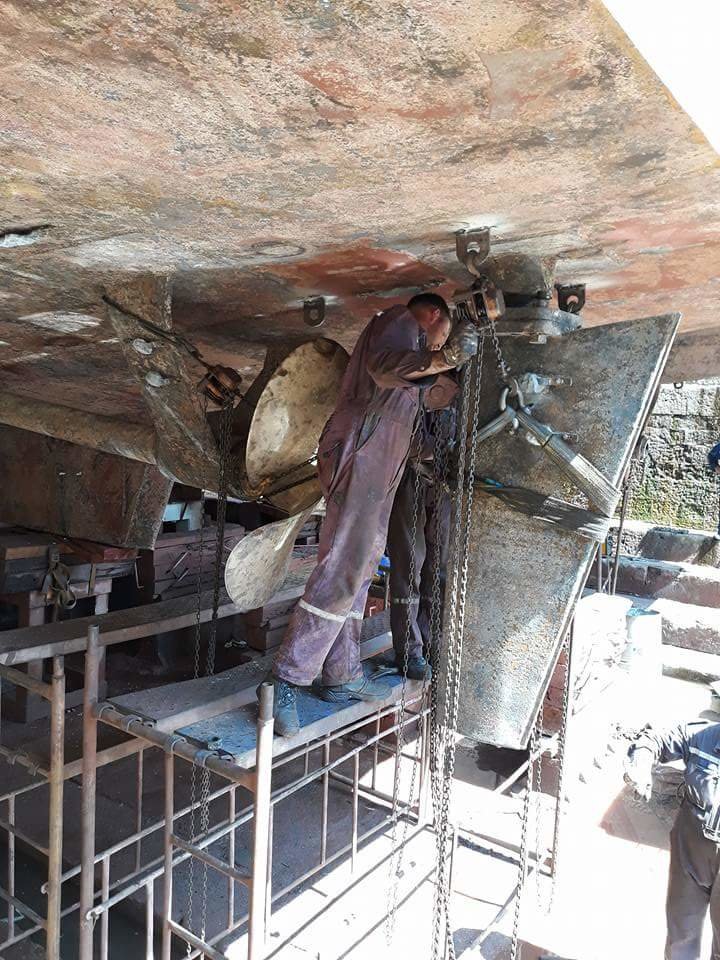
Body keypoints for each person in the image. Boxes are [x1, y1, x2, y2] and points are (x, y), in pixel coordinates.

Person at [266, 294, 478, 736]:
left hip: (378, 467)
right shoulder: (400, 322)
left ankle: (340, 673)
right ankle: (286, 678)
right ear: (434, 316)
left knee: (361, 568)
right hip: (360, 457)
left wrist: (437, 451)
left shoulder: (413, 364)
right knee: (345, 564)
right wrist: (446, 357)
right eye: (443, 336)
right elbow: (384, 369)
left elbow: (405, 419)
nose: (440, 345)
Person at [625, 720, 720, 959]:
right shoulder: (703, 736)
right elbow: (655, 738)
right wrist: (640, 764)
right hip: (691, 854)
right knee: (681, 938)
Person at [386, 386, 456, 680]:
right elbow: (401, 437)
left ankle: (432, 644)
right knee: (409, 566)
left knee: (439, 571)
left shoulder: (460, 390)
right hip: (408, 479)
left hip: (444, 485)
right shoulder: (413, 384)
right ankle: (410, 651)